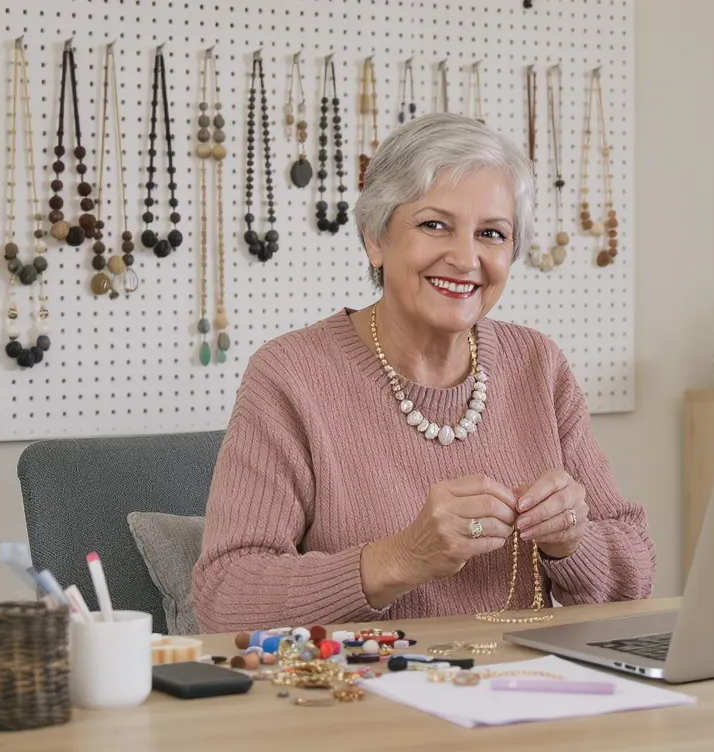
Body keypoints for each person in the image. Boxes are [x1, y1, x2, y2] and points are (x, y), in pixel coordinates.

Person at [192, 113, 655, 633]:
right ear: (375, 237)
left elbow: (636, 575)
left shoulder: (538, 366)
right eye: (434, 225)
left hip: (524, 693)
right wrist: (401, 559)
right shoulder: (291, 376)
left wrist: (573, 542)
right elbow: (224, 600)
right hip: (361, 699)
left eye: (491, 234)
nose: (465, 257)